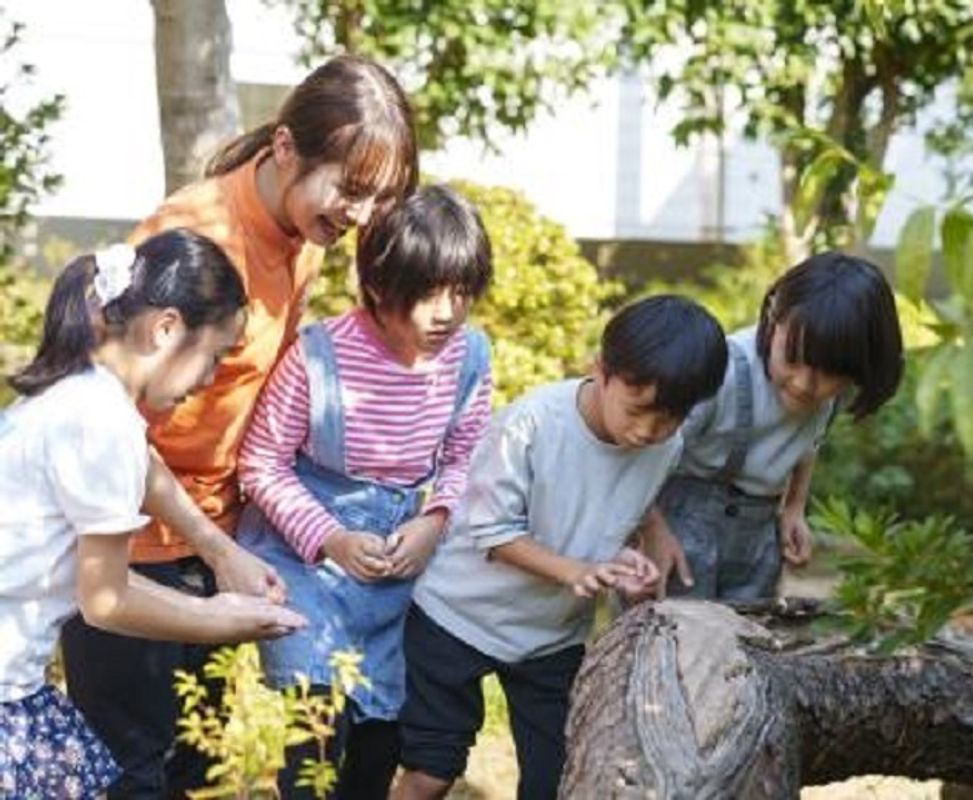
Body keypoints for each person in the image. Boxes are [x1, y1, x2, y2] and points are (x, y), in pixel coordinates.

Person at [59, 54, 420, 797]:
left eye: (376, 199)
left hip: (212, 536)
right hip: (137, 542)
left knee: (196, 763)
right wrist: (215, 550)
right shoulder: (194, 242)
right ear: (286, 148)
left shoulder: (304, 235)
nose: (359, 216)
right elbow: (113, 429)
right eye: (351, 190)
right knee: (132, 774)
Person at [0, 231, 306, 799]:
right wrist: (221, 618)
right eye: (215, 355)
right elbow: (107, 599)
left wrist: (221, 552)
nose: (212, 379)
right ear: (165, 329)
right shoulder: (102, 422)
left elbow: (145, 470)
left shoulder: (79, 392)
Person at [395, 295, 729, 800]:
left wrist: (626, 567)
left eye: (670, 419)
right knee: (431, 773)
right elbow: (494, 534)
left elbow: (612, 518)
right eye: (638, 410)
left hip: (550, 638)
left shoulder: (665, 448)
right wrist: (575, 570)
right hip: (455, 617)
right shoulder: (531, 425)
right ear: (600, 370)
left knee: (559, 779)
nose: (649, 431)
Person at [236, 185, 494, 799]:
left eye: (461, 292)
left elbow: (466, 458)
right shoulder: (318, 358)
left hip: (401, 558)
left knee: (380, 740)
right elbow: (263, 462)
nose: (448, 313)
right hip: (309, 563)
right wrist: (330, 538)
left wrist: (434, 521)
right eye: (429, 293)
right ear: (380, 286)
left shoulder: (469, 358)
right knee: (317, 739)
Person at [643, 251, 904, 600]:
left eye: (831, 374)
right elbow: (641, 458)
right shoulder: (721, 374)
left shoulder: (829, 397)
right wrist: (652, 532)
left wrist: (794, 506)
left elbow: (807, 443)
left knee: (747, 642)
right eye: (793, 359)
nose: (805, 384)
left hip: (757, 533)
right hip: (679, 526)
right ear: (773, 317)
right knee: (677, 640)